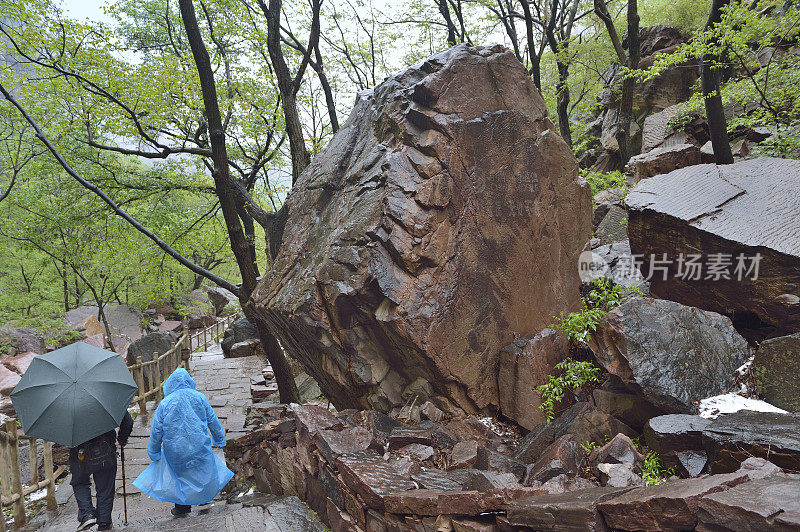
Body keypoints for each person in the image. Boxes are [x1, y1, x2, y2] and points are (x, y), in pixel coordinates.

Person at [133, 367, 233, 517]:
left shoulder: (165, 404)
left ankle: (182, 507)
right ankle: (203, 497)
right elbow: (212, 420)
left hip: (176, 448)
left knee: (179, 475)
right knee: (201, 469)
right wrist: (219, 439)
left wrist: (153, 451)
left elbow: (156, 431)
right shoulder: (199, 397)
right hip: (198, 443)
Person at [70, 410, 134, 531]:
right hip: (105, 449)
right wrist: (122, 438)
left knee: (80, 482)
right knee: (105, 487)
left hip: (79, 451)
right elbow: (128, 422)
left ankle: (87, 514)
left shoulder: (66, 405)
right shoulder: (105, 396)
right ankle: (104, 523)